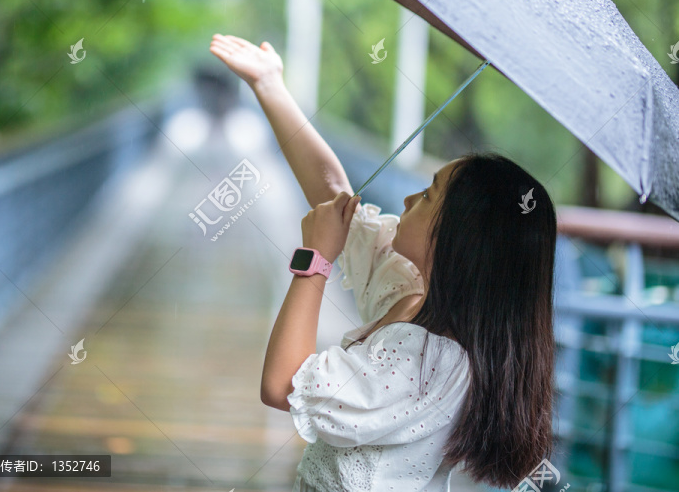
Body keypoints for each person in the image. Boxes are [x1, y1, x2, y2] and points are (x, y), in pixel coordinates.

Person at [209, 34, 558, 491]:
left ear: (457, 240)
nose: (410, 197)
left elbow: (283, 385)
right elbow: (335, 199)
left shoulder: (430, 359)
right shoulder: (413, 292)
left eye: (429, 194)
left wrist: (314, 260)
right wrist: (270, 84)